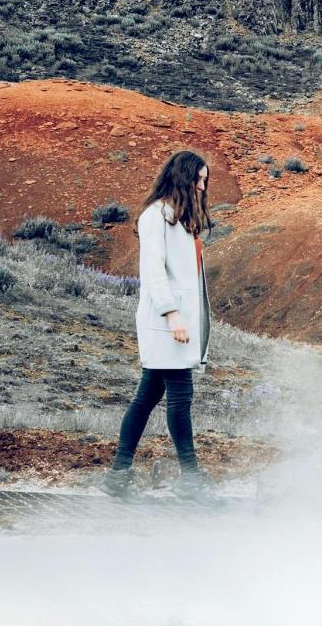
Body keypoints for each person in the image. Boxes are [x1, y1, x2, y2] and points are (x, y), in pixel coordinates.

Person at [98, 149, 223, 505]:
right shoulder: (157, 217)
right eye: (198, 179)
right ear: (182, 178)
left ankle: (117, 476)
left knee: (148, 396)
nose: (202, 186)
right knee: (180, 397)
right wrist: (172, 315)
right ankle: (191, 477)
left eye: (205, 180)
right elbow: (153, 271)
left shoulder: (181, 219)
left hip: (178, 323)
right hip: (167, 323)